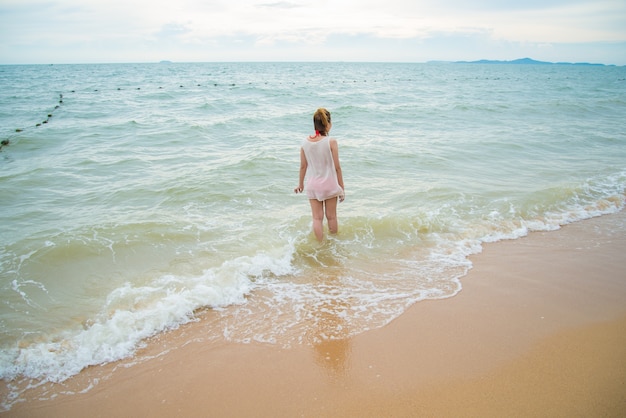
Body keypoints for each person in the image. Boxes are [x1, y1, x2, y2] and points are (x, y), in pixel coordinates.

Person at [294, 108, 345, 242]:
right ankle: (334, 245)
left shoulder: (305, 142)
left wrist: (300, 184)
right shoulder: (331, 142)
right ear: (328, 124)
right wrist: (341, 187)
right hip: (329, 184)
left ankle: (320, 245)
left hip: (313, 185)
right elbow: (337, 167)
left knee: (317, 218)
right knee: (332, 217)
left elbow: (303, 166)